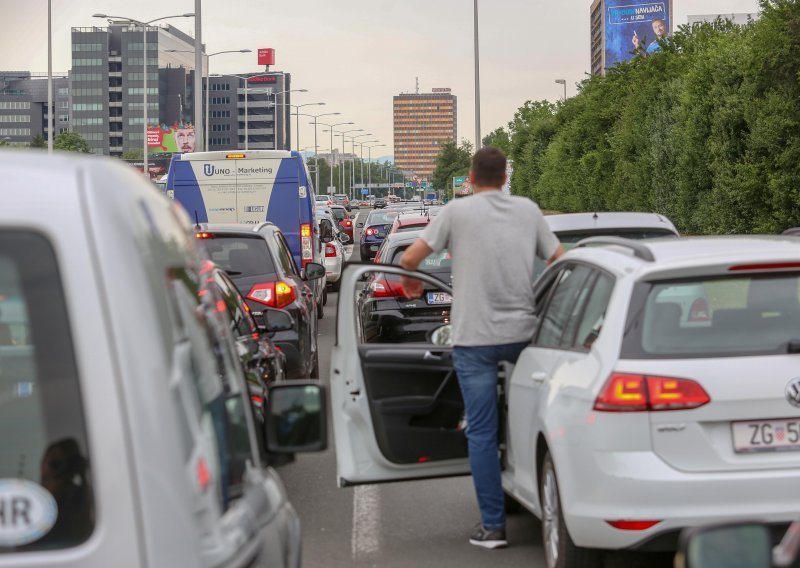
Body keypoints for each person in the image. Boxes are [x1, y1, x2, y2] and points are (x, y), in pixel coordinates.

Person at [399, 147, 564, 549]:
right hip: (524, 336)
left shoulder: (456, 212)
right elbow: (560, 261)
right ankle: (535, 490)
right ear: (505, 177)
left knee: (483, 433)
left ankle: (493, 527)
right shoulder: (527, 210)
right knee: (537, 420)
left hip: (474, 339)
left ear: (470, 179)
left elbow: (410, 257)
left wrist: (412, 282)